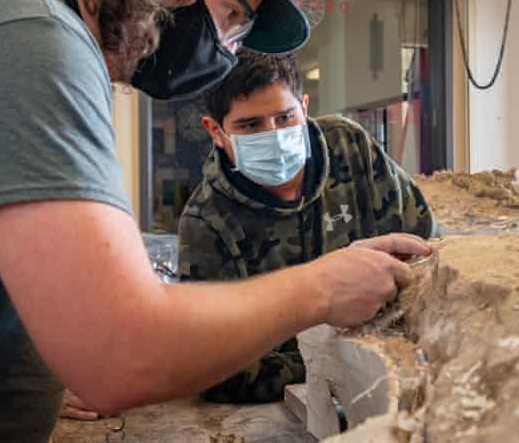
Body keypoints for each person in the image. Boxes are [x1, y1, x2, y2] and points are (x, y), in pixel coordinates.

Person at [0, 0, 429, 441]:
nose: (228, 50)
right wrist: (321, 288)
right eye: (232, 14)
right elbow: (120, 350)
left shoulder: (38, 40)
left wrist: (46, 362)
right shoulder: (25, 41)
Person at [178, 49, 436, 403]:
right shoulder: (206, 222)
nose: (274, 134)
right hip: (286, 404)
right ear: (216, 131)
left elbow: (424, 244)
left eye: (285, 117)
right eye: (251, 125)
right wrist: (335, 358)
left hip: (394, 373)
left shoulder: (350, 147)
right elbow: (219, 371)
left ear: (304, 106)